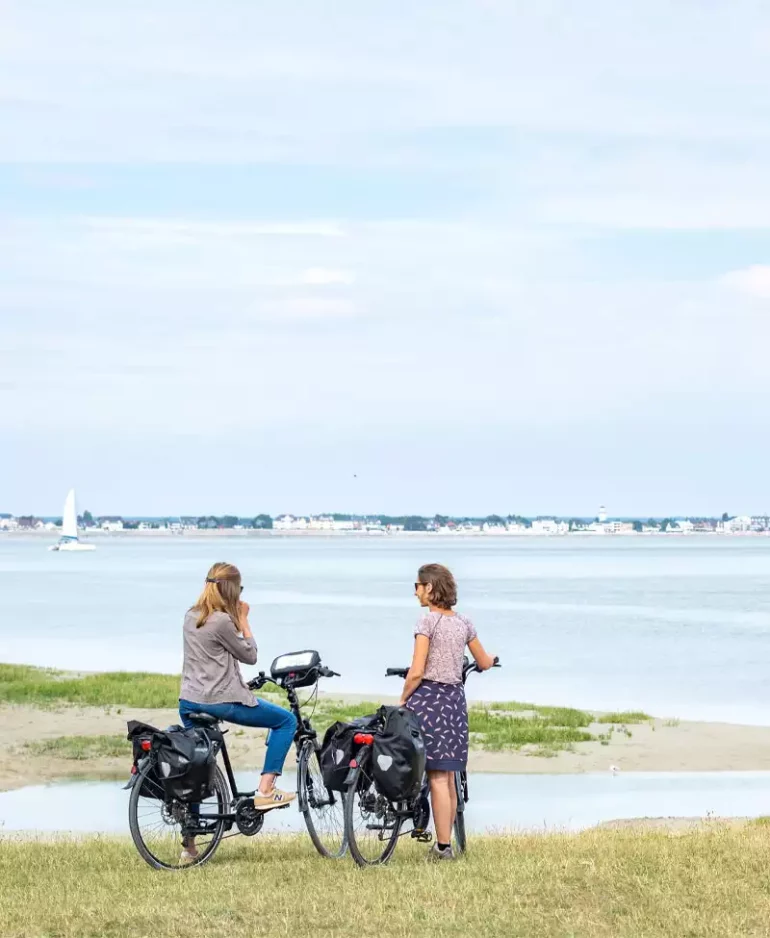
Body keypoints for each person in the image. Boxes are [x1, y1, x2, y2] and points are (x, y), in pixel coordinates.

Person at [178, 562, 297, 861]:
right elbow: (250, 654)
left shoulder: (189, 617)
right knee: (286, 720)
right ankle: (266, 789)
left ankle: (189, 848)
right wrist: (243, 619)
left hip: (189, 701)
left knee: (199, 768)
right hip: (220, 700)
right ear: (231, 589)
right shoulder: (221, 622)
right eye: (239, 589)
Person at [399, 563, 495, 861]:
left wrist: (403, 699)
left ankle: (442, 848)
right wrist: (488, 661)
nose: (415, 591)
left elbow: (416, 671)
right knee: (449, 775)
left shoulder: (427, 623)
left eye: (418, 585)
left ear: (430, 588)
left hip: (429, 699)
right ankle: (446, 842)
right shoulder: (464, 622)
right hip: (454, 702)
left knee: (438, 777)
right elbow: (483, 660)